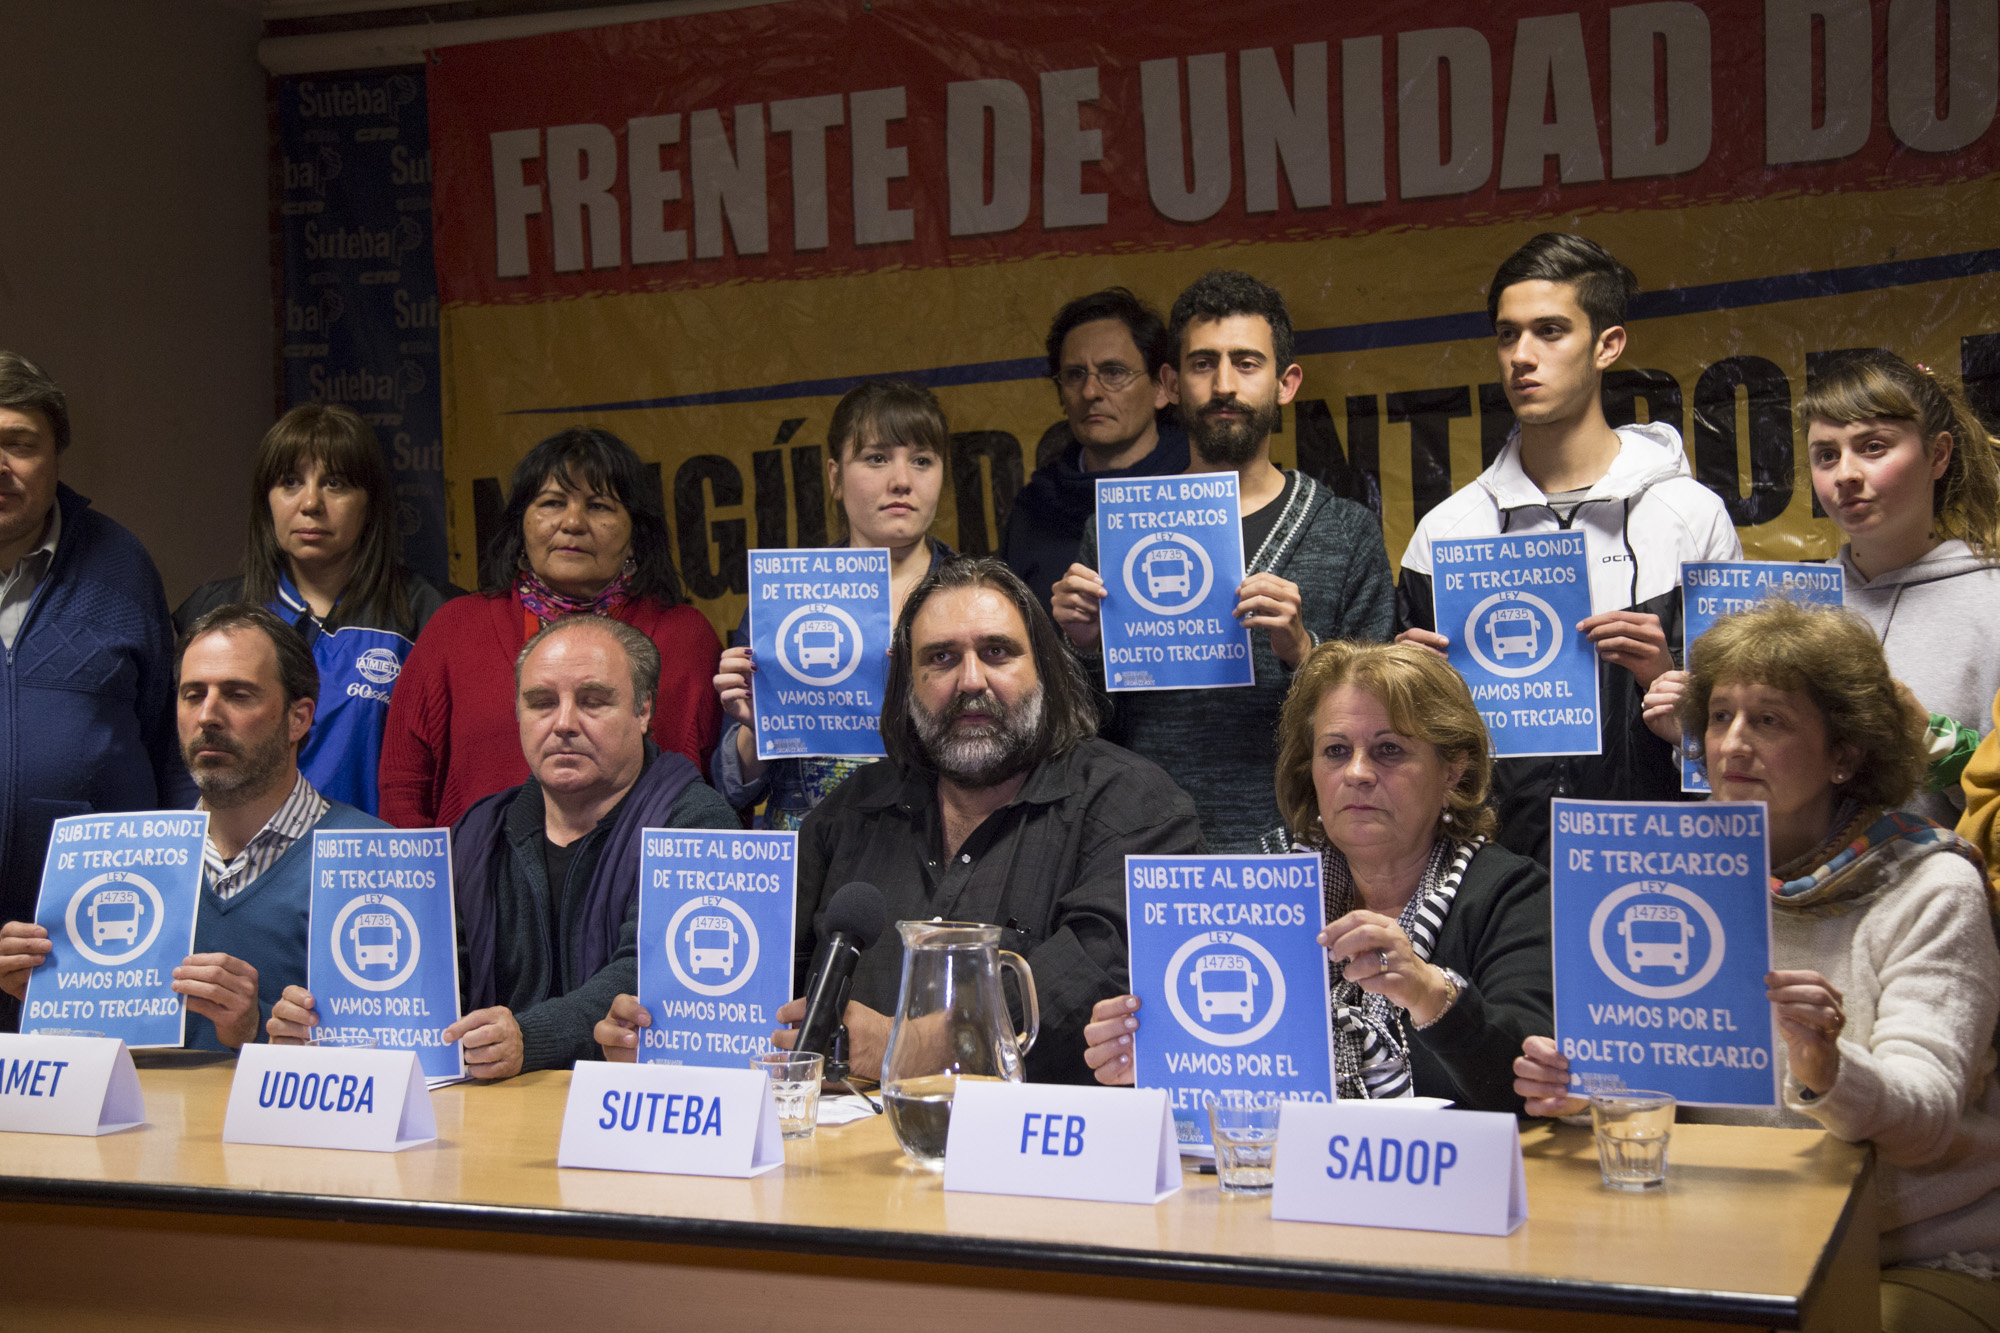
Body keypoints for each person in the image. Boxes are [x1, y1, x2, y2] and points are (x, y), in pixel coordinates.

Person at [1517, 600, 2000, 1331]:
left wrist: (1828, 1069)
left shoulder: (1932, 884)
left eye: (1769, 720)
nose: (1733, 743)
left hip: (1908, 1251)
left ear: (1845, 754)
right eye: (1719, 717)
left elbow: (1926, 1120)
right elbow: (1667, 1085)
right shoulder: (1660, 870)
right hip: (1720, 1236)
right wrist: (1588, 1089)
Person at [597, 558, 1202, 1083]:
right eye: (941, 658)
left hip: (1041, 1158)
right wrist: (667, 1040)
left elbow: (1101, 975)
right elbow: (761, 989)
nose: (971, 681)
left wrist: (910, 1046)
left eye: (997, 652)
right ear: (906, 682)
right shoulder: (850, 812)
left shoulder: (1134, 804)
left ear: (1042, 666)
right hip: (842, 1158)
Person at [1084, 641, 1551, 1111]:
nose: (1357, 772)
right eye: (1336, 750)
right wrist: (1154, 1056)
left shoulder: (1512, 895)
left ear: (1453, 771)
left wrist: (1431, 994)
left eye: (1389, 750)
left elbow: (1531, 1084)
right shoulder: (1255, 896)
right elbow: (1226, 1081)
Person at [1395, 233, 1740, 865]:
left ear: (1607, 345)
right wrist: (1408, 695)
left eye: (1550, 331)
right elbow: (1416, 756)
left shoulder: (1691, 519)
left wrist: (1665, 681)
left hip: (1657, 864)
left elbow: (1744, 738)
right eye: (1507, 335)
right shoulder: (1443, 535)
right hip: (1492, 877)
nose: (1521, 357)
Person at [272, 615, 737, 1077]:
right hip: (494, 1100)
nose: (564, 723)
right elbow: (431, 976)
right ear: (518, 713)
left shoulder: (698, 824)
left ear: (643, 711)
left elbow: (650, 973)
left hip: (630, 1100)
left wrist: (528, 1038)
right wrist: (328, 1025)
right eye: (541, 703)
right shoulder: (480, 830)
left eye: (593, 702)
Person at [1052, 270, 1395, 852]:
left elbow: (1383, 723)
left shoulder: (1346, 531)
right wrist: (1083, 650)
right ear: (1170, 383)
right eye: (1203, 364)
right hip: (1148, 846)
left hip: (1304, 849)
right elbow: (1081, 732)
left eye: (1247, 363)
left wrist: (1304, 653)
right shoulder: (1116, 531)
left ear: (1286, 383)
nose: (1224, 385)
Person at [0, 605, 385, 1051]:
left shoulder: (374, 858)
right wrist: (51, 997)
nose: (208, 716)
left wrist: (254, 1029)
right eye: (193, 694)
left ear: (298, 718)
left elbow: (406, 1056)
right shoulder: (119, 862)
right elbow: (107, 1055)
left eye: (238, 694)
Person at [379, 428, 723, 829]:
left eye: (599, 506)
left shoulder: (686, 638)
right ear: (522, 527)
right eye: (552, 502)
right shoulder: (456, 629)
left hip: (640, 870)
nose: (573, 522)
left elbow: (723, 790)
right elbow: (403, 785)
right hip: (474, 868)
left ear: (635, 536)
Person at [0, 351, 194, 1033]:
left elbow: (169, 746)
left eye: (21, 444)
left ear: (56, 456)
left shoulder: (121, 567)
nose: (1, 465)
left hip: (98, 956)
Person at [175, 404, 460, 816]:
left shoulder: (434, 616)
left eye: (335, 483)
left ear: (369, 502)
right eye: (290, 482)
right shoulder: (213, 612)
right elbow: (175, 763)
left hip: (376, 851)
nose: (310, 503)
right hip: (242, 852)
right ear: (266, 501)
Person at [712, 380, 954, 828]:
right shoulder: (785, 597)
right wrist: (756, 727)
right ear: (835, 477)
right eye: (876, 458)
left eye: (922, 460)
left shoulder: (980, 599)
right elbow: (732, 788)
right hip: (809, 853)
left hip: (940, 845)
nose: (902, 480)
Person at [1795, 350, 2000, 825]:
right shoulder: (1791, 604)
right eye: (1826, 455)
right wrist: (1697, 730)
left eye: (1873, 447)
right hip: (1802, 875)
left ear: (1938, 455)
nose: (1845, 474)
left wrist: (1933, 743)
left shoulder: (1992, 601)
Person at [1001, 288, 1189, 619]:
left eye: (1113, 372)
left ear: (1162, 387)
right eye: (1075, 375)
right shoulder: (1034, 510)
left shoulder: (1200, 489)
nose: (1090, 392)